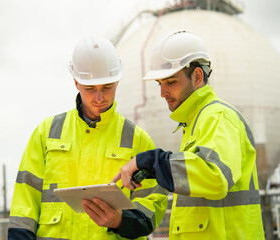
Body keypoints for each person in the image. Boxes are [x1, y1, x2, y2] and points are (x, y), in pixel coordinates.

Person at [8, 35, 168, 240]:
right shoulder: (47, 133)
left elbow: (152, 203)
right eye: (90, 89)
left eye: (107, 87)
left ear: (117, 81)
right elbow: (25, 200)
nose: (99, 98)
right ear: (76, 82)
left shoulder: (138, 139)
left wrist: (120, 220)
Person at [112, 30, 265, 239]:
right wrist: (156, 169)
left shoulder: (217, 117)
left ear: (197, 76)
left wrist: (153, 161)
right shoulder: (196, 122)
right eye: (160, 84)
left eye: (171, 82)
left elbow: (214, 176)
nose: (162, 93)